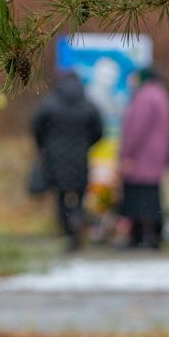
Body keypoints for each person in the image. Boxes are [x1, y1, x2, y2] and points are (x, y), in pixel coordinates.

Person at [31, 72, 104, 251]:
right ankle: (77, 218)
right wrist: (87, 144)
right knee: (79, 194)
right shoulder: (88, 105)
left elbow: (36, 127)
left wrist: (45, 145)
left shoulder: (50, 104)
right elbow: (99, 131)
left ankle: (66, 229)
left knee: (60, 196)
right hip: (80, 157)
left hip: (55, 159)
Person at [118, 67, 169, 249]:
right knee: (152, 197)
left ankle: (140, 237)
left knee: (137, 198)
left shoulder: (144, 97)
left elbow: (136, 129)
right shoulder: (160, 95)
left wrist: (127, 154)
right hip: (155, 156)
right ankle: (154, 236)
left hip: (141, 156)